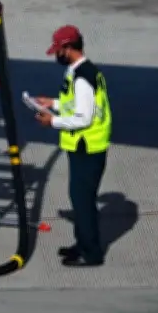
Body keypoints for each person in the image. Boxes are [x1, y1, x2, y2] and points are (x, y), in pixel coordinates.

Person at [33, 25, 112, 267]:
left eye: (58, 50)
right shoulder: (80, 71)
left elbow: (83, 117)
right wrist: (53, 103)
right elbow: (75, 104)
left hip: (87, 146)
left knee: (83, 200)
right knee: (79, 198)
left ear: (68, 48)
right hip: (82, 146)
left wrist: (52, 121)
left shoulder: (82, 78)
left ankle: (91, 254)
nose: (56, 54)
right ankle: (82, 243)